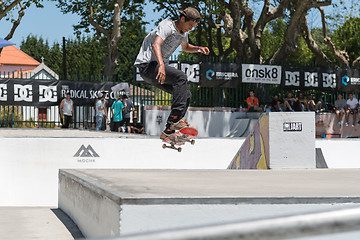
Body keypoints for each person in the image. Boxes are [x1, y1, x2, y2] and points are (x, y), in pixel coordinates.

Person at [134, 7, 210, 140]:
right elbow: (156, 45)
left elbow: (186, 48)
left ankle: (169, 130)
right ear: (182, 19)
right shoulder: (167, 26)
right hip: (147, 65)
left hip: (156, 71)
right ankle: (176, 120)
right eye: (190, 25)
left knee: (185, 94)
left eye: (193, 27)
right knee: (181, 77)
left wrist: (199, 48)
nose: (190, 28)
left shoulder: (183, 33)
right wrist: (162, 65)